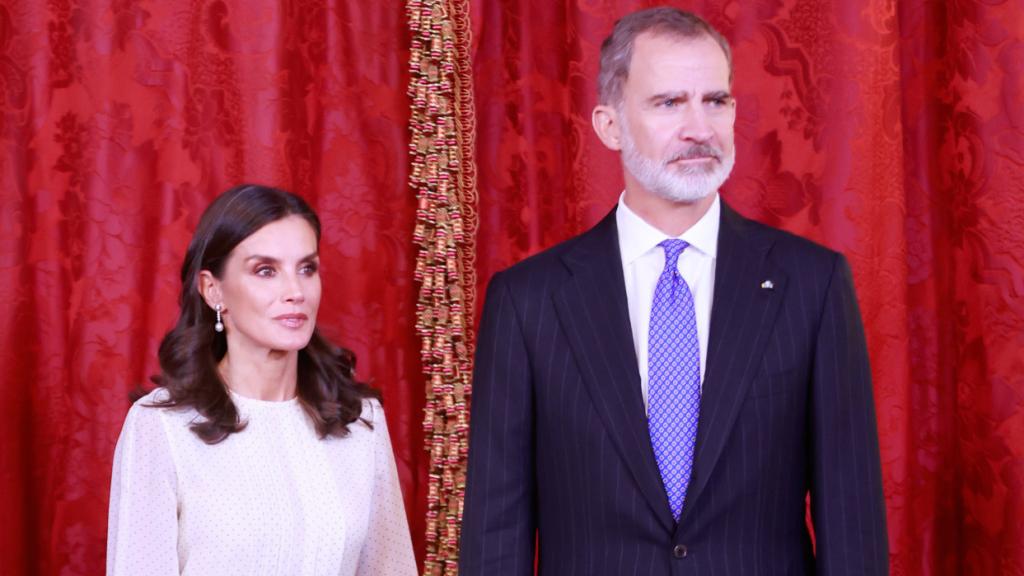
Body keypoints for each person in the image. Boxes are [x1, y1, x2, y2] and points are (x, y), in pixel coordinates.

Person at [459, 7, 888, 575]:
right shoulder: (528, 302)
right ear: (609, 125)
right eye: (668, 103)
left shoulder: (811, 284)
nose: (700, 128)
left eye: (716, 101)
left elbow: (850, 515)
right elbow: (496, 529)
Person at [107, 184, 417, 575]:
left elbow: (392, 569)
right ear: (212, 289)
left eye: (307, 268)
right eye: (265, 270)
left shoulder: (358, 421)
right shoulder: (161, 426)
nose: (295, 291)